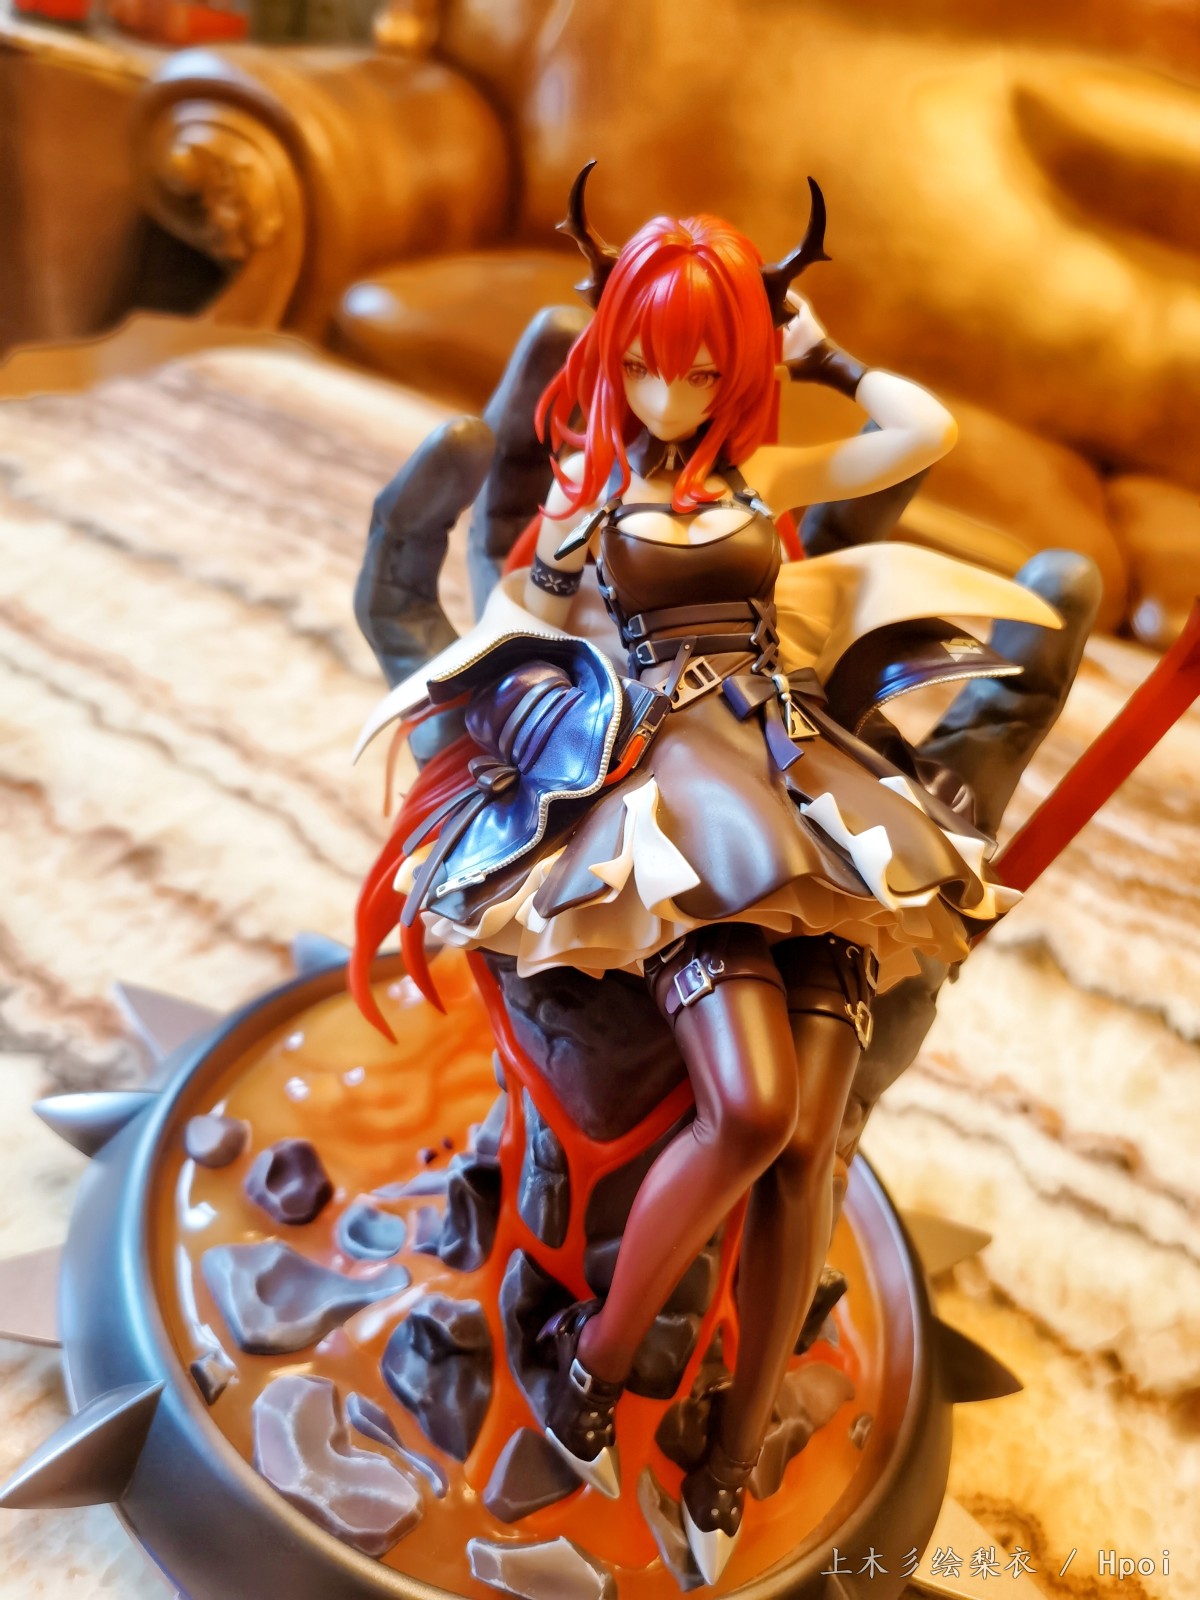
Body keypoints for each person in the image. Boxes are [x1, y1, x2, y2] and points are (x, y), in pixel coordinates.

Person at [351, 168, 1061, 1585]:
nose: (668, 395)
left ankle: (729, 1453)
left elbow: (923, 431)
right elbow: (506, 644)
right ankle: (594, 1368)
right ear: (610, 354)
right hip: (676, 821)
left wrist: (822, 355)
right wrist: (509, 726)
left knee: (805, 1145)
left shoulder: (762, 484)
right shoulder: (581, 507)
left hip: (802, 799)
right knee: (748, 1110)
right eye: (643, 362)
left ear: (737, 370)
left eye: (700, 367)